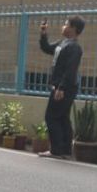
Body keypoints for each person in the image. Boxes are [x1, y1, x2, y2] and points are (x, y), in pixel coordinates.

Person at [37, 15, 85, 159]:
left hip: (65, 88)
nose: (63, 26)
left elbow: (70, 70)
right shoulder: (62, 43)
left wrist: (61, 88)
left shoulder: (74, 48)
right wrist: (43, 33)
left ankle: (57, 150)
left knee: (51, 117)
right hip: (61, 86)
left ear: (73, 29)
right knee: (62, 118)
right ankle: (65, 151)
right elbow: (46, 48)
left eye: (66, 24)